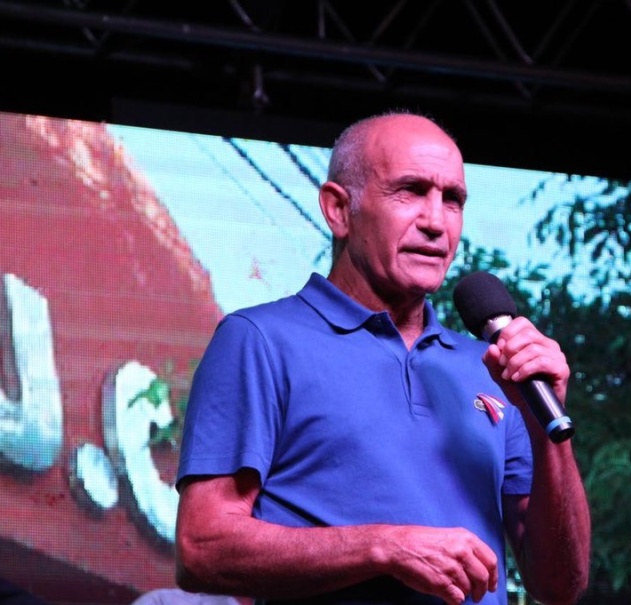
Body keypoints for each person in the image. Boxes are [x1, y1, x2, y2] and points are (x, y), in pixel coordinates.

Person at [174, 110, 591, 605]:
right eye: (410, 191)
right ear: (338, 210)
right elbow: (202, 549)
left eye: (452, 200)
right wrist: (384, 547)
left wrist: (548, 431)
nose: (436, 222)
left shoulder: (492, 367)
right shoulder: (259, 340)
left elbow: (560, 585)